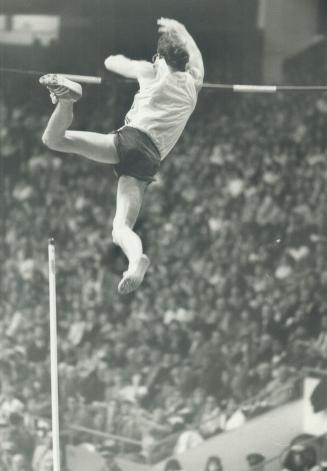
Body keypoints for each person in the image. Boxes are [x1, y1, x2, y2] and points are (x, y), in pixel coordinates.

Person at [40, 17, 204, 295]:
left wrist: (143, 63)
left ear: (161, 58)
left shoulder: (151, 72)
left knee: (53, 139)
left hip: (130, 140)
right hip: (150, 159)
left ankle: (66, 100)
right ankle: (134, 261)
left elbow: (111, 62)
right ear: (184, 62)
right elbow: (197, 59)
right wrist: (182, 30)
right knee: (120, 228)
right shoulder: (193, 84)